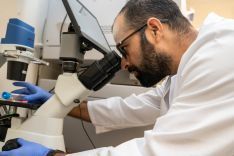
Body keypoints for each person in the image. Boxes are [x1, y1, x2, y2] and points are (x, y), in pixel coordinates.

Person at [1, 0, 234, 155]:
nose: (124, 62)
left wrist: (50, 155)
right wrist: (55, 103)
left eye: (124, 48)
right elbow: (134, 108)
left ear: (154, 30)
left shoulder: (220, 53)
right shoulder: (186, 68)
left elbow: (155, 153)